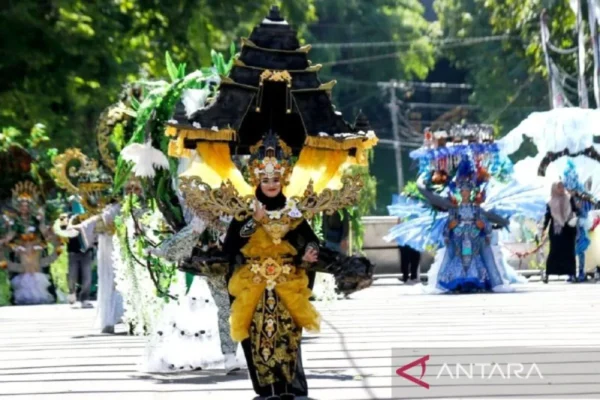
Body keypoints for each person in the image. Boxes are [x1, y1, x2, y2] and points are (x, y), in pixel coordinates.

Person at [541, 181, 579, 283]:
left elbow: (575, 210)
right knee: (554, 251)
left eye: (562, 187)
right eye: (559, 187)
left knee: (569, 252)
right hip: (556, 230)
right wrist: (543, 228)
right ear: (554, 189)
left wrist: (575, 212)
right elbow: (548, 216)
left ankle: (572, 274)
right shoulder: (550, 201)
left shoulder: (569, 198)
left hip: (569, 229)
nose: (562, 189)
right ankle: (548, 274)